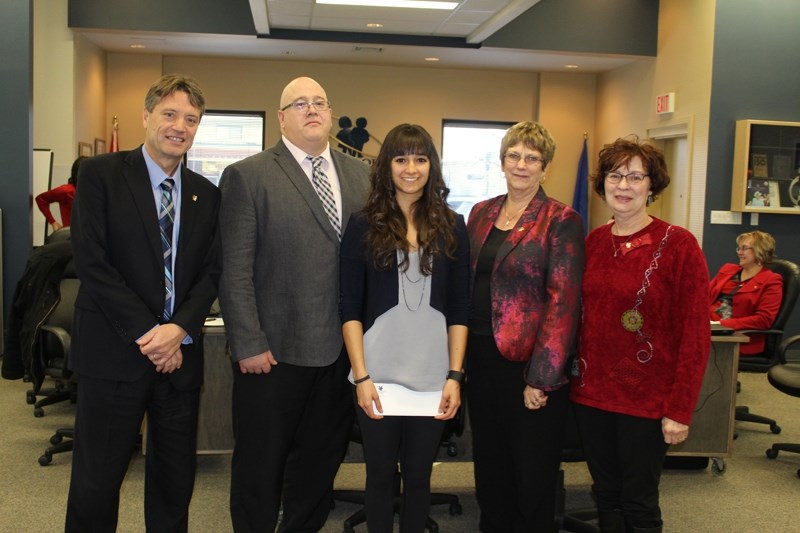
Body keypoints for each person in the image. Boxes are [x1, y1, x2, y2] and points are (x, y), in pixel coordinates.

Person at [66, 74, 221, 532]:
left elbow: (211, 272)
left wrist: (179, 330)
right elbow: (92, 264)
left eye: (191, 119)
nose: (179, 126)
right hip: (114, 355)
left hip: (179, 360)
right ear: (146, 116)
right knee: (97, 481)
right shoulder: (101, 175)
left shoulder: (206, 194)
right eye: (170, 114)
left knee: (175, 482)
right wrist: (152, 333)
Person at [218, 76, 370, 532]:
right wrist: (247, 341)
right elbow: (234, 268)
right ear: (281, 117)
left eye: (320, 102)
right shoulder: (249, 175)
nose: (312, 110)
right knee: (260, 466)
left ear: (330, 113)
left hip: (341, 352)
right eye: (299, 103)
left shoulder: (361, 174)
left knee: (319, 465)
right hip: (272, 353)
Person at [570, 137, 710, 533]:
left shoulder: (679, 245)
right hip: (591, 394)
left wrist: (679, 408)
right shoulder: (593, 242)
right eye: (615, 175)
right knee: (606, 494)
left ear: (652, 185)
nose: (623, 186)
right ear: (603, 184)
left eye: (635, 176)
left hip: (647, 400)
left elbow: (696, 335)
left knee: (640, 500)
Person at [339, 124, 470, 532]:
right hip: (377, 375)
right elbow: (349, 308)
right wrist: (361, 376)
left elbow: (460, 310)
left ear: (432, 165)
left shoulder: (453, 225)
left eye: (420, 158)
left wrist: (455, 376)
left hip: (434, 376)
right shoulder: (362, 225)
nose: (410, 168)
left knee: (419, 478)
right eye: (400, 159)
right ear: (386, 167)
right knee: (379, 476)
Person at [465, 121, 585, 531]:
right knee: (490, 461)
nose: (521, 164)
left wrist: (542, 377)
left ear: (545, 167)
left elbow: (563, 302)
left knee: (530, 469)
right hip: (480, 358)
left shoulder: (560, 219)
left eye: (532, 158)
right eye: (514, 155)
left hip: (528, 367)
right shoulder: (481, 213)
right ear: (502, 161)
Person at [709, 230, 783, 355]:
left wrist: (720, 324)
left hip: (735, 334)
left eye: (744, 248)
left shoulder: (771, 280)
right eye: (739, 248)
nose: (739, 252)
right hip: (708, 323)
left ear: (760, 250)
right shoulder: (728, 270)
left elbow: (763, 320)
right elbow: (703, 296)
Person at [35, 156, 86, 231]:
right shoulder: (67, 191)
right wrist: (53, 222)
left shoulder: (94, 190)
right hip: (73, 237)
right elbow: (41, 199)